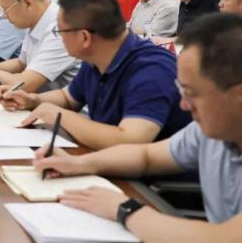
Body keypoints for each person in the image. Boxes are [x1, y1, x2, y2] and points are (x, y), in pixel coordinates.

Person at [33, 13, 242, 242]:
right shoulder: (209, 132)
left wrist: (126, 209)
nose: (183, 104)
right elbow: (146, 156)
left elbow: (223, 238)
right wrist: (79, 164)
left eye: (191, 93)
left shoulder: (152, 68)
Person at [0, 0, 191, 150]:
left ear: (84, 38)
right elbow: (68, 98)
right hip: (109, 162)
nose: (59, 37)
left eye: (60, 31)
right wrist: (33, 100)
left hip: (152, 179)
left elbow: (129, 140)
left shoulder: (152, 69)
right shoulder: (96, 58)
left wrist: (58, 115)